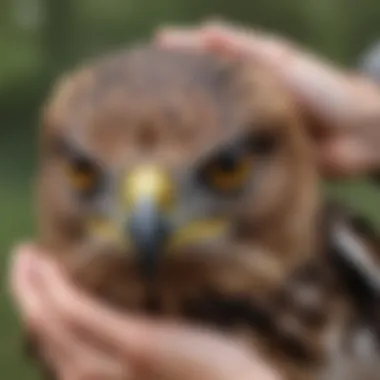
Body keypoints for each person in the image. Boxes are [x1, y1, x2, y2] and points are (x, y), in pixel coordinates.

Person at [9, 21, 380, 380]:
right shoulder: (70, 332)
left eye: (226, 171)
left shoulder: (348, 265)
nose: (146, 223)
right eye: (85, 175)